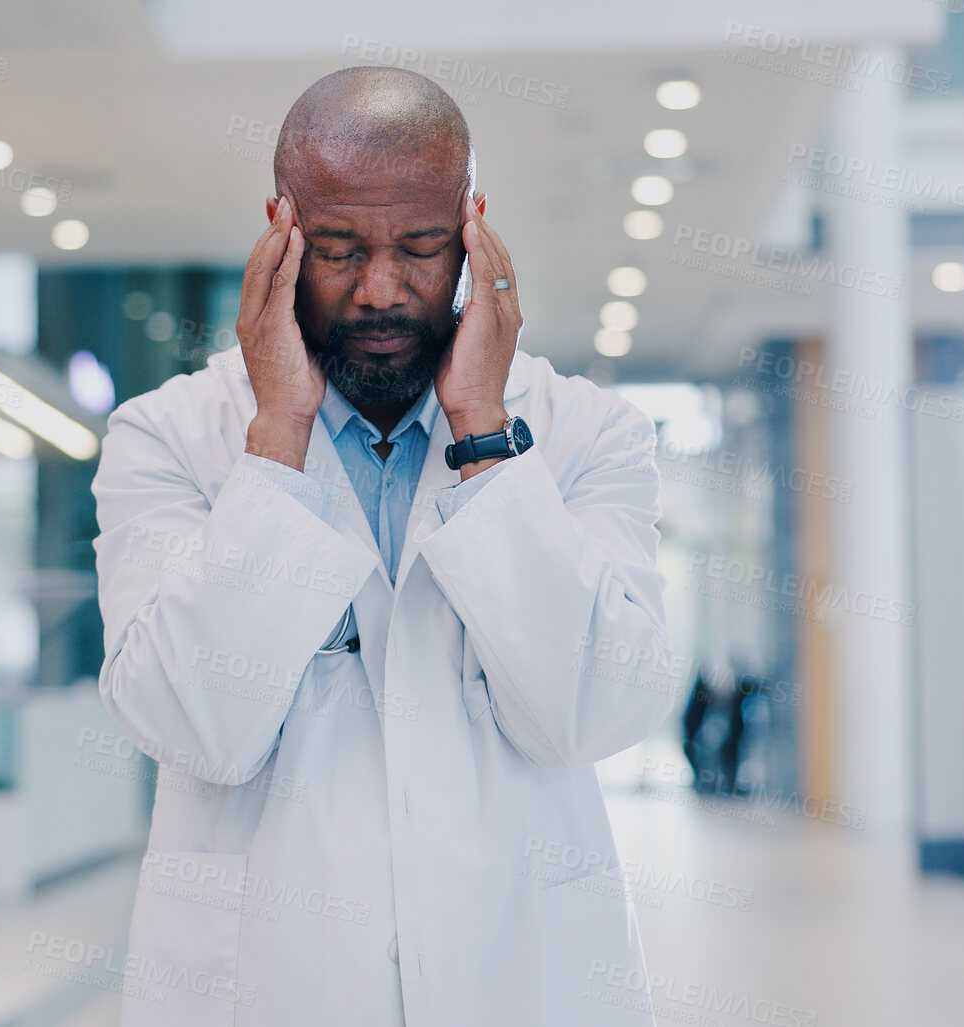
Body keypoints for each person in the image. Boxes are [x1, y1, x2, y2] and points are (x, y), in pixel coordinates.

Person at [92, 67, 680, 1027]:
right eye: (334, 249)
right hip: (268, 987)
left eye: (420, 247)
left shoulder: (585, 434)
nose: (380, 290)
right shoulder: (170, 436)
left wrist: (484, 434)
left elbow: (599, 710)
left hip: (519, 979)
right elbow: (191, 725)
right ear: (279, 226)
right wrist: (276, 439)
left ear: (472, 227)